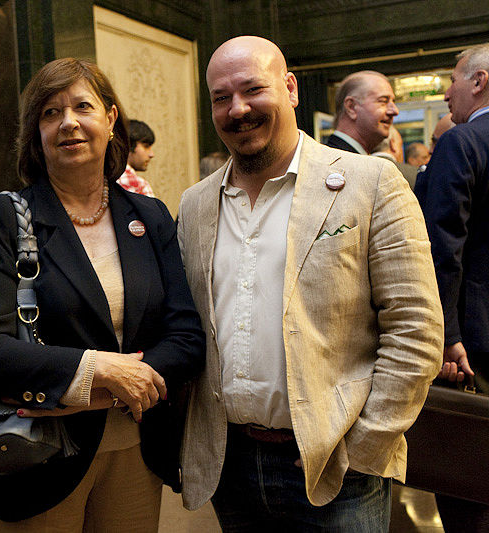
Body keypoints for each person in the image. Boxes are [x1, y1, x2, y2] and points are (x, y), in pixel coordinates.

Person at [177, 36, 443, 531]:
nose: (238, 109)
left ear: (291, 88)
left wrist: (363, 445)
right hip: (229, 465)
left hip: (336, 472)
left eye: (253, 89)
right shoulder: (194, 205)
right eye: (220, 97)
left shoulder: (372, 184)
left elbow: (416, 331)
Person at [0, 57, 205, 532]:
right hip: (39, 454)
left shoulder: (149, 217)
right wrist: (97, 369)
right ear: (36, 134)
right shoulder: (5, 217)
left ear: (111, 119)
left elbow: (188, 335)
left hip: (136, 449)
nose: (68, 122)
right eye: (50, 112)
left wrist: (115, 389)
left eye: (82, 106)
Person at [414, 43, 489, 531]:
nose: (447, 92)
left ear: (479, 81)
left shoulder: (463, 142)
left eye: (454, 79)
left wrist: (444, 334)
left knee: (470, 491)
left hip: (476, 345)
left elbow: (441, 247)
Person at [326, 70, 399, 154]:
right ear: (351, 107)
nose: (395, 111)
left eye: (393, 102)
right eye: (383, 101)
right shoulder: (334, 161)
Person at [117, 119, 156, 196]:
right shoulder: (140, 186)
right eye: (146, 146)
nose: (152, 154)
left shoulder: (103, 181)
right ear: (128, 145)